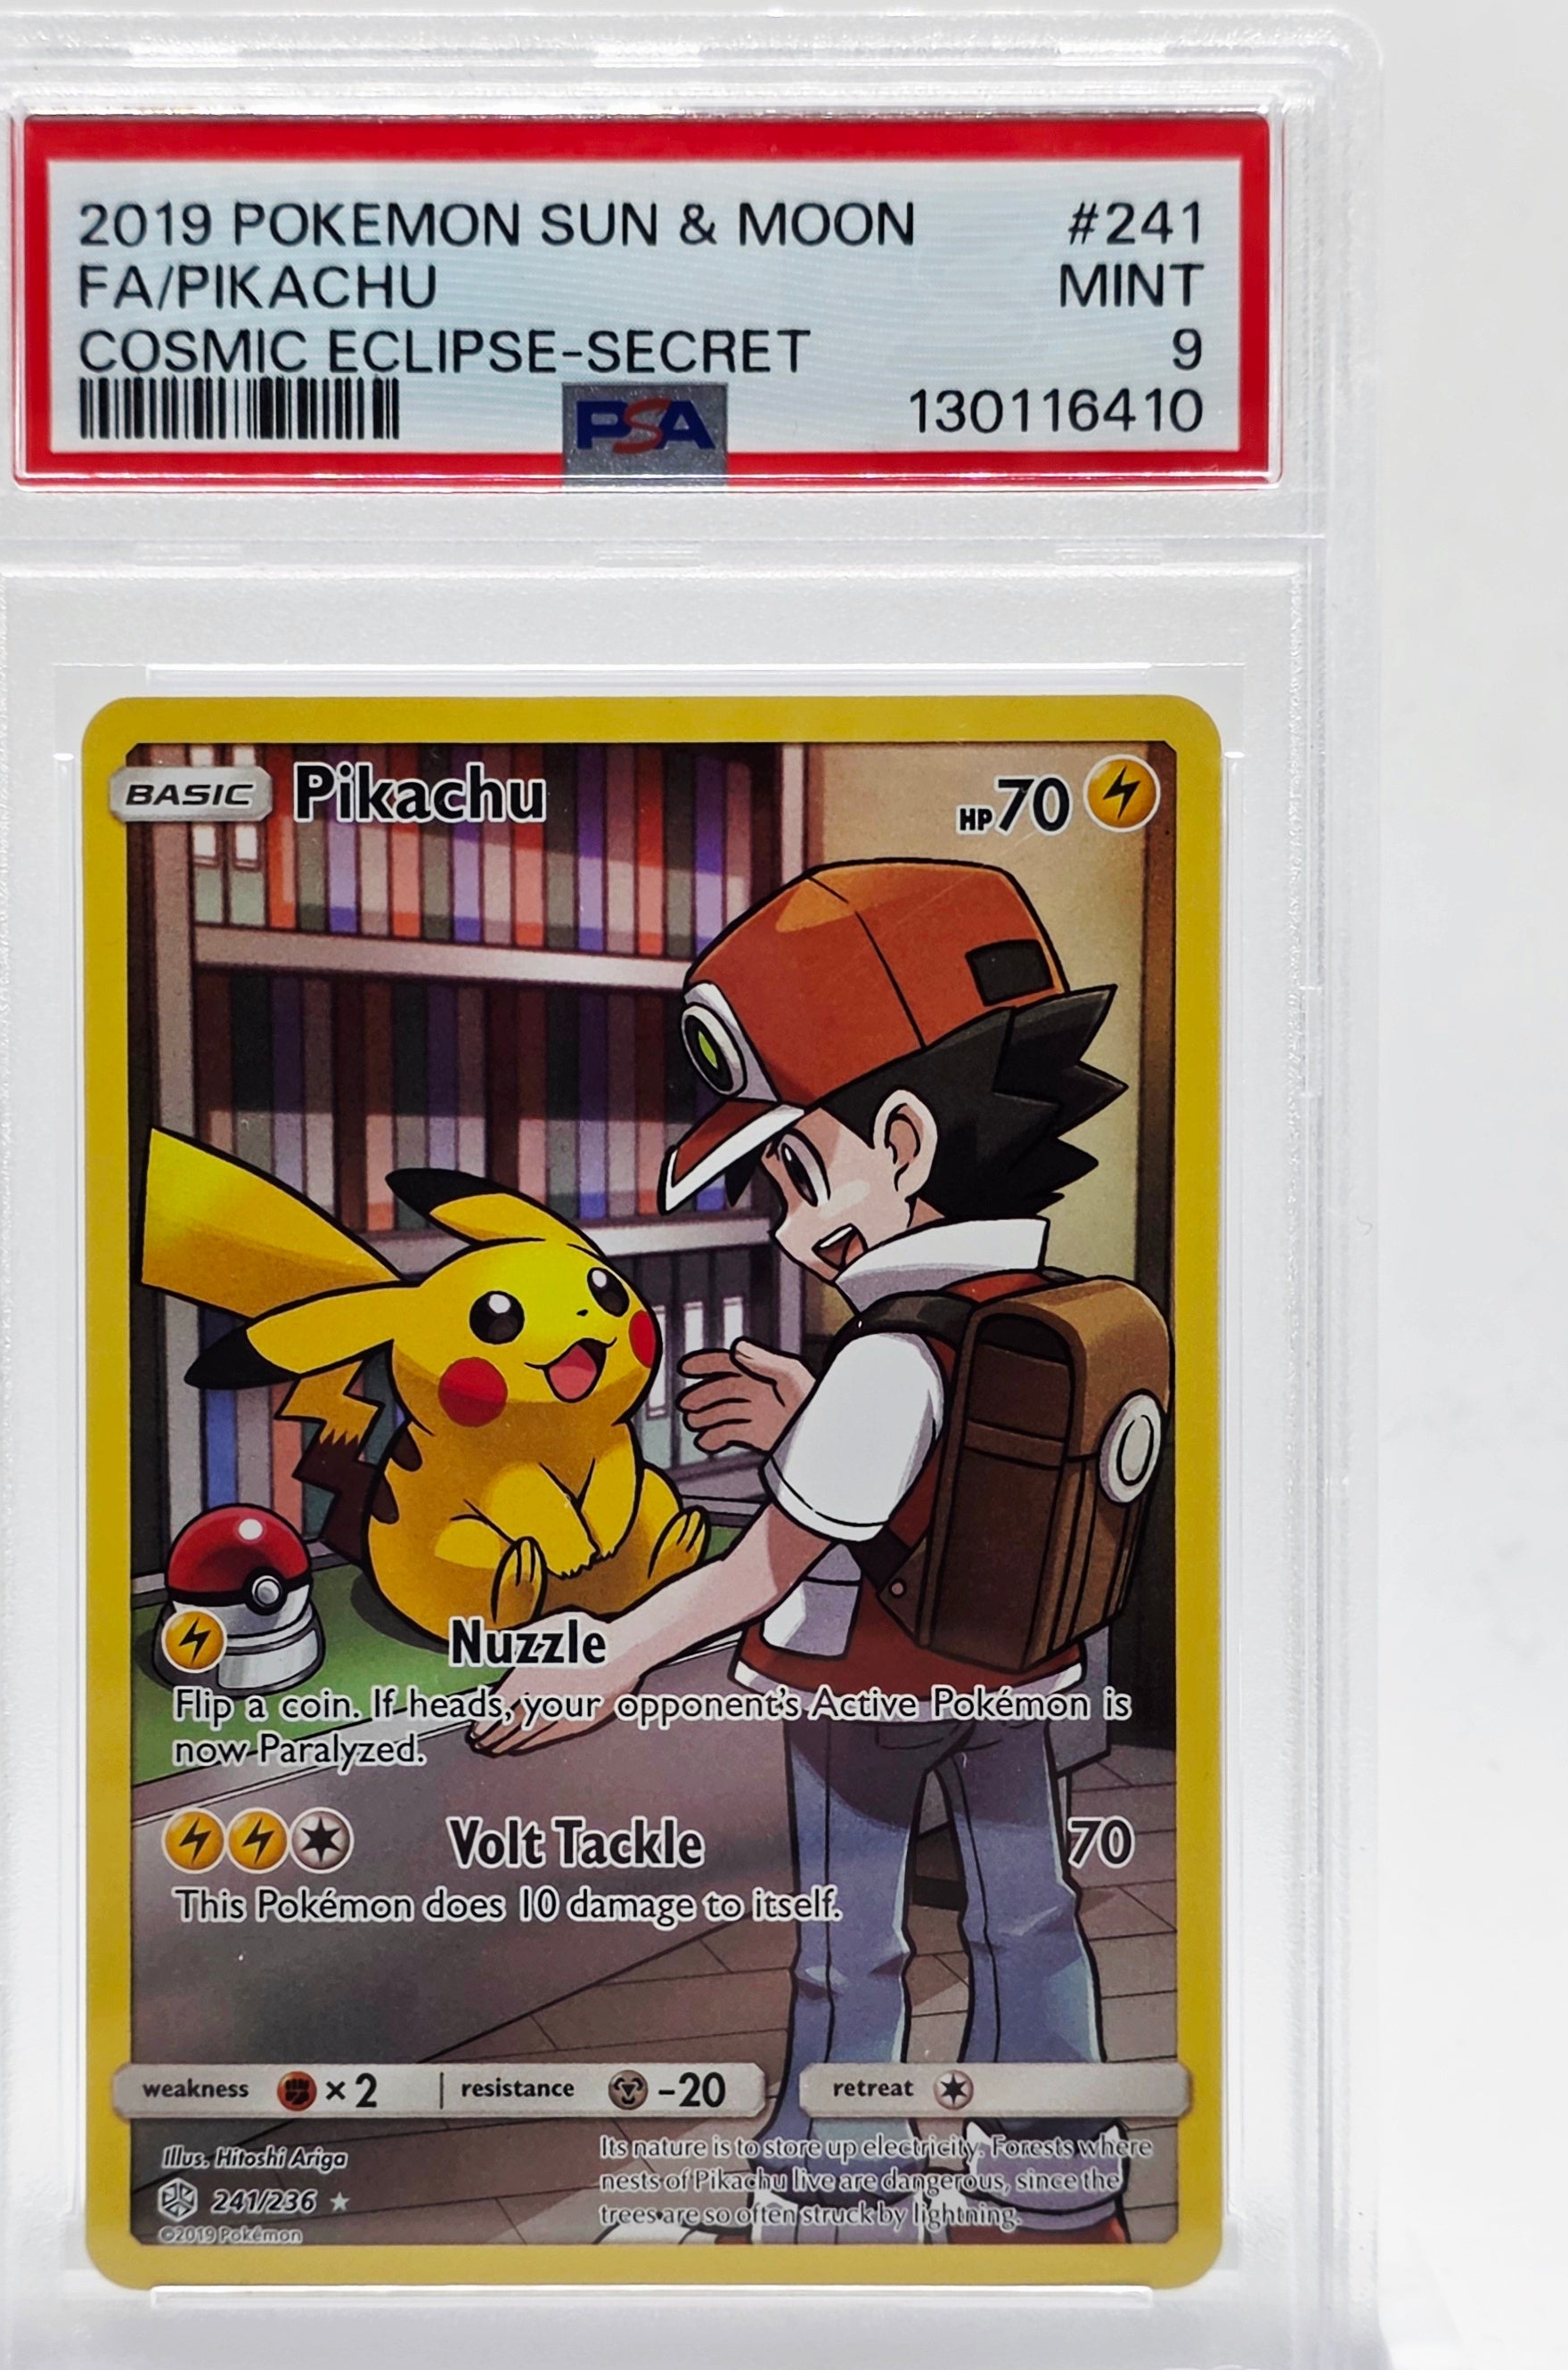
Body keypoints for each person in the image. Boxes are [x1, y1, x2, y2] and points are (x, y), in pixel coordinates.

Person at [473, 859, 1149, 2245]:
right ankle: (1056, 2171)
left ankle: (837, 2181)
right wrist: (808, 1417)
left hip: (863, 1696)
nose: (787, 1220)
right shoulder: (1035, 1298)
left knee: (856, 1945)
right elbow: (952, 1475)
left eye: (796, 1168)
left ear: (903, 1142)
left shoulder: (888, 1355)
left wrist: (606, 1660)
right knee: (1029, 1915)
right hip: (1013, 1674)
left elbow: (766, 1567)